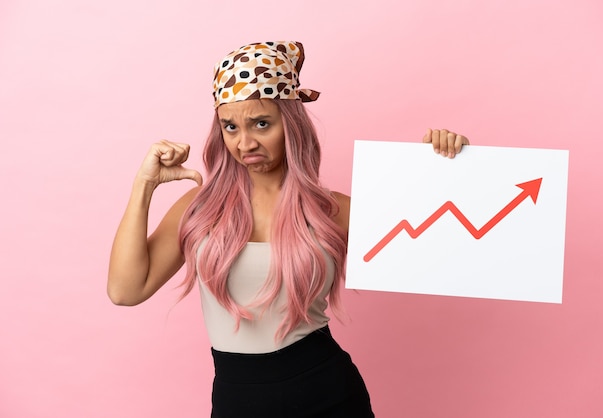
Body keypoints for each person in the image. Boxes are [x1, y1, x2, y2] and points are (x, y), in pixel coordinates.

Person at [107, 41, 469, 418]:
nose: (244, 143)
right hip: (237, 400)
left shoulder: (334, 211)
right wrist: (144, 185)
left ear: (291, 123)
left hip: (330, 394)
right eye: (231, 127)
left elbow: (442, 251)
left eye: (261, 123)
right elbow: (125, 290)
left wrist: (445, 169)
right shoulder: (200, 208)